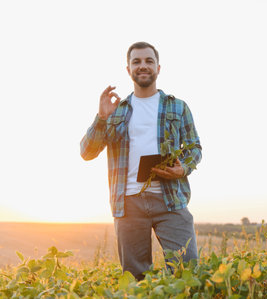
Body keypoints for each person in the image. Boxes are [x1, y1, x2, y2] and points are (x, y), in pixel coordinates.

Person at [80, 41, 202, 280]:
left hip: (171, 201)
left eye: (148, 61)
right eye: (136, 61)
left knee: (187, 273)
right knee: (136, 280)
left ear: (158, 68)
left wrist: (183, 168)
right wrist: (101, 118)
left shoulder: (178, 107)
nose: (143, 66)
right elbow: (87, 152)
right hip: (128, 205)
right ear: (128, 69)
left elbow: (195, 147)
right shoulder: (116, 111)